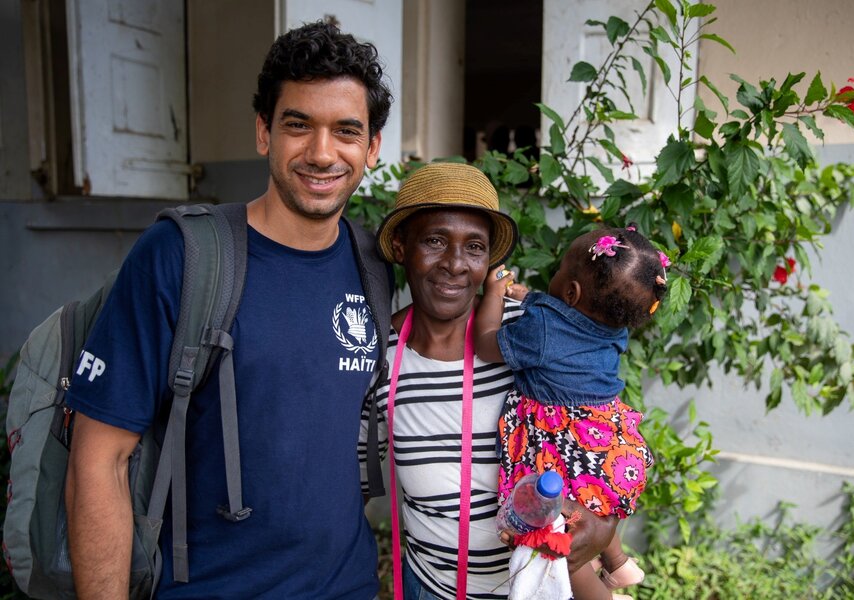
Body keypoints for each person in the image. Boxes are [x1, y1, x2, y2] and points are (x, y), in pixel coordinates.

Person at [64, 22, 392, 599]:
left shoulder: (375, 266)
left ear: (372, 146)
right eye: (298, 125)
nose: (322, 152)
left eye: (345, 131)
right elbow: (100, 462)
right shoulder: (182, 256)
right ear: (264, 132)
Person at [361, 162, 618, 599]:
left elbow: (603, 437)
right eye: (435, 240)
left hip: (534, 588)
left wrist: (605, 524)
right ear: (402, 246)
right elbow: (353, 483)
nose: (456, 264)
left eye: (474, 247)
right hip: (430, 587)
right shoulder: (378, 356)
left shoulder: (528, 339)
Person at [474, 225, 667, 599]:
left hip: (560, 446)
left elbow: (486, 344)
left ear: (571, 292)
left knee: (560, 545)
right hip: (604, 440)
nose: (556, 272)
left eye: (561, 268)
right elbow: (564, 315)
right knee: (593, 505)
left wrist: (494, 296)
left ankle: (602, 597)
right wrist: (527, 296)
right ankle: (618, 562)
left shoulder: (542, 331)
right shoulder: (614, 325)